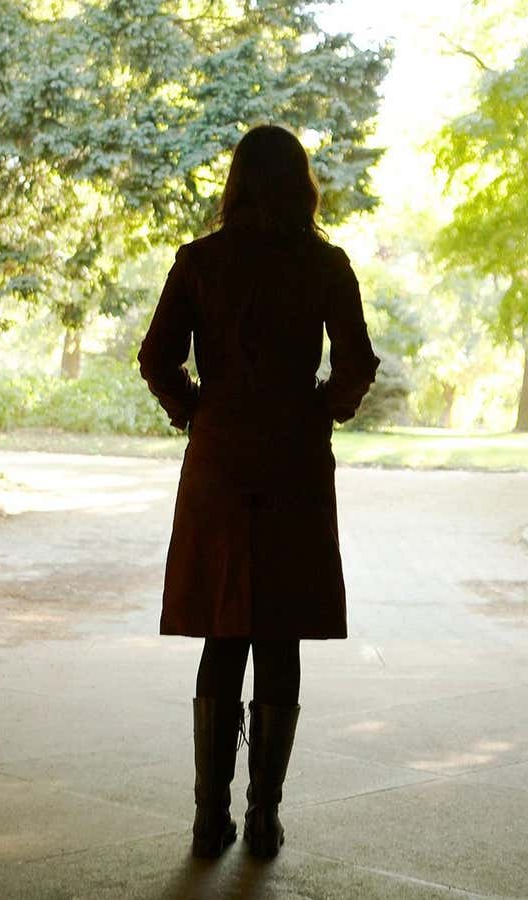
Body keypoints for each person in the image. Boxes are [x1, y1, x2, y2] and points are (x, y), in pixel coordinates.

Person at [138, 124, 379, 860]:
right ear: (302, 186)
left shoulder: (199, 261)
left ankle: (209, 820)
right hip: (293, 462)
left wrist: (194, 410)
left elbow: (156, 358)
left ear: (236, 184)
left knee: (222, 630)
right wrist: (321, 410)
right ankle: (264, 818)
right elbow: (357, 364)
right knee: (278, 633)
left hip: (218, 460)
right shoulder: (325, 264)